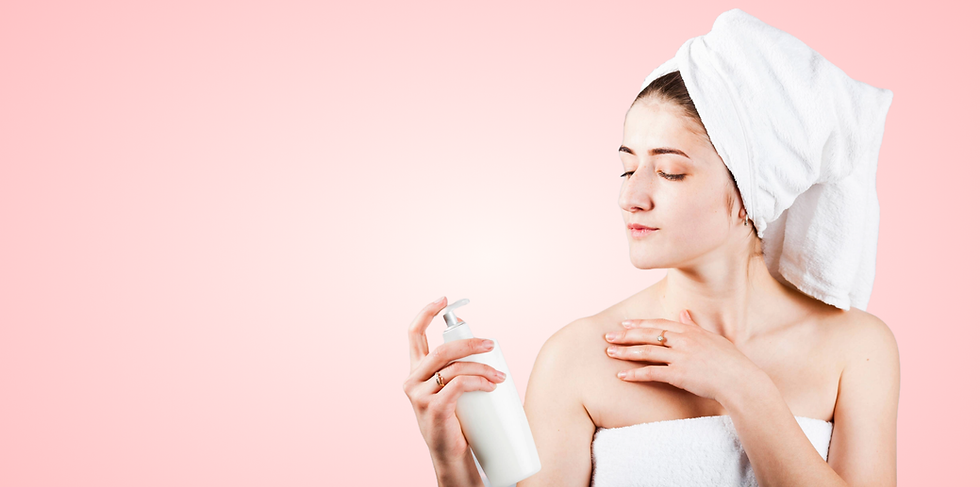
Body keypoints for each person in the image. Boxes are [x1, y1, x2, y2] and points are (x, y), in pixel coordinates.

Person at [404, 11, 899, 487]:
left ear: (752, 194)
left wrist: (744, 387)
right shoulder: (578, 357)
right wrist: (451, 464)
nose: (630, 197)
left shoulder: (856, 349)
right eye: (627, 168)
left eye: (669, 172)